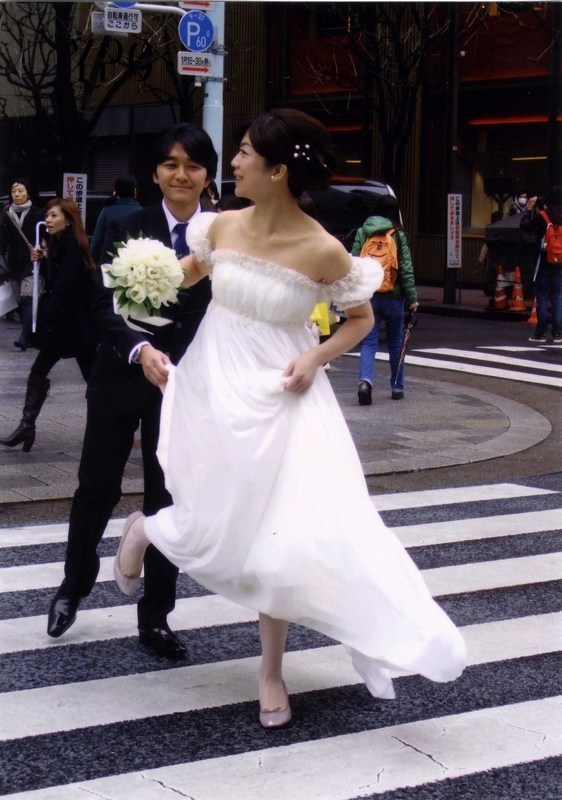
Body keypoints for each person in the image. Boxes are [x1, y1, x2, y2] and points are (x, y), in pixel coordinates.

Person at [113, 108, 466, 727]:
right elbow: (186, 278)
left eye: (246, 153)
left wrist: (314, 357)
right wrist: (140, 286)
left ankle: (270, 671)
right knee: (214, 511)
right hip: (217, 384)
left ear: (277, 170)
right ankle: (147, 530)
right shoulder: (222, 226)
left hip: (284, 392)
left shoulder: (322, 248)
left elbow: (359, 321)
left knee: (280, 542)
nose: (235, 162)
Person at [45, 123, 218, 661]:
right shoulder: (125, 225)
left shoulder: (222, 234)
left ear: (207, 175)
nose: (181, 174)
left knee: (167, 496)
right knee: (96, 485)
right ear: (155, 173)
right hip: (121, 373)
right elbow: (102, 304)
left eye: (192, 165)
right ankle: (73, 585)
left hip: (185, 383)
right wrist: (139, 350)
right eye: (171, 164)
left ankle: (156, 615)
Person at [0, 198, 99, 453]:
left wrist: (47, 319)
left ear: (68, 220)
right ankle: (26, 426)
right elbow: (55, 278)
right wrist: (42, 259)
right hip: (66, 325)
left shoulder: (73, 245)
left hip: (75, 325)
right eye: (47, 215)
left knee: (91, 378)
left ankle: (102, 428)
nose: (48, 220)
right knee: (41, 371)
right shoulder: (59, 243)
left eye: (54, 216)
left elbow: (64, 285)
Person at [354, 195, 418, 404]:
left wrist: (355, 292)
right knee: (396, 342)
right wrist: (412, 298)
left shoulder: (363, 232)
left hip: (369, 295)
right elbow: (405, 268)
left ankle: (365, 382)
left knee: (369, 340)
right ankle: (397, 387)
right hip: (394, 296)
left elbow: (354, 262)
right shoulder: (398, 234)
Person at [0, 179, 44, 349]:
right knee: (19, 300)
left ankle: (24, 337)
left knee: (28, 298)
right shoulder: (7, 215)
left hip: (33, 263)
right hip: (13, 264)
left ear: (28, 193)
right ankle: (32, 334)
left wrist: (42, 250)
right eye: (14, 191)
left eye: (20, 191)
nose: (17, 194)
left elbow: (45, 237)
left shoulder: (38, 213)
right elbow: (2, 241)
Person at [520, 186, 562, 344]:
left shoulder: (542, 215)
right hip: (560, 261)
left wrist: (530, 209)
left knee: (542, 295)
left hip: (543, 260)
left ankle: (540, 332)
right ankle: (558, 332)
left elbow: (524, 226)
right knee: (558, 296)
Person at [89, 175, 141, 263]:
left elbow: (97, 240)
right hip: (134, 264)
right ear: (135, 191)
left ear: (116, 190)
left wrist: (91, 260)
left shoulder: (107, 210)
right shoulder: (141, 211)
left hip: (108, 262)